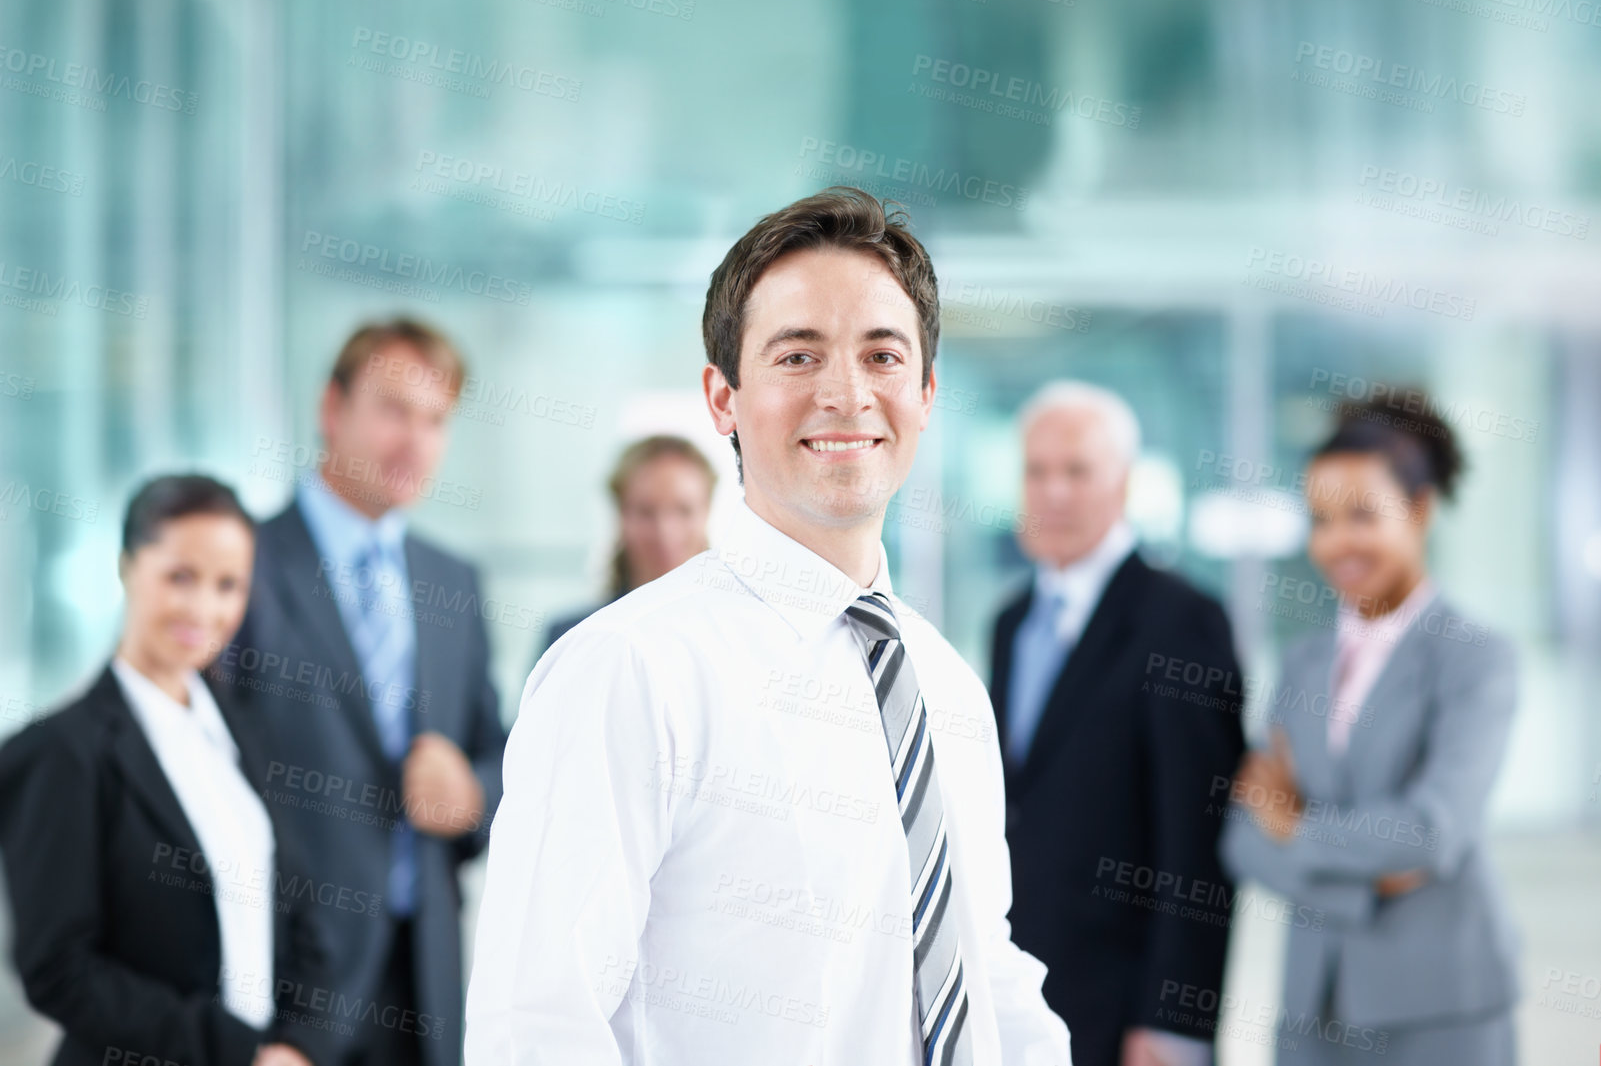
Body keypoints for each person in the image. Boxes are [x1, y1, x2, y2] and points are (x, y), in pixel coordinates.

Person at [465, 187, 1071, 1064]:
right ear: (722, 399)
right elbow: (536, 1025)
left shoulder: (945, 687)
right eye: (797, 355)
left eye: (882, 355)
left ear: (927, 393)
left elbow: (986, 974)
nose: (846, 393)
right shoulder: (626, 669)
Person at [208, 318, 507, 1066]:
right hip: (285, 978)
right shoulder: (240, 564)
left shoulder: (453, 582)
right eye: (392, 410)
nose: (416, 440)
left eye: (435, 420)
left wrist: (470, 792)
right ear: (331, 409)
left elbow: (499, 753)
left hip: (426, 972)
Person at [1220, 392, 1520, 1065]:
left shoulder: (1474, 656)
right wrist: (1366, 875)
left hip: (1440, 1003)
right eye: (1320, 519)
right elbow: (1244, 839)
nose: (1336, 542)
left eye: (1361, 514)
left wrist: (1296, 826)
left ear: (1418, 511)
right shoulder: (1301, 662)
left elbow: (1432, 830)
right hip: (1308, 1009)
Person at [0, 475, 338, 1066]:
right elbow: (59, 969)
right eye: (181, 577)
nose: (205, 609)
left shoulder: (241, 729)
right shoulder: (60, 752)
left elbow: (298, 910)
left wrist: (299, 1043)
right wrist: (238, 1052)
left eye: (228, 585)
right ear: (128, 567)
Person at [989, 382, 1244, 1066]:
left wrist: (1173, 1022)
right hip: (1022, 999)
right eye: (1036, 471)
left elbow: (1199, 841)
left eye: (1076, 470)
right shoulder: (1009, 623)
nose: (1053, 492)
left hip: (1126, 1010)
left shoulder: (1181, 622)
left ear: (1124, 483)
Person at [539, 435, 716, 650]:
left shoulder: (736, 631)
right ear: (621, 514)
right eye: (645, 511)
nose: (665, 531)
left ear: (707, 511)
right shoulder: (572, 638)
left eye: (683, 510)